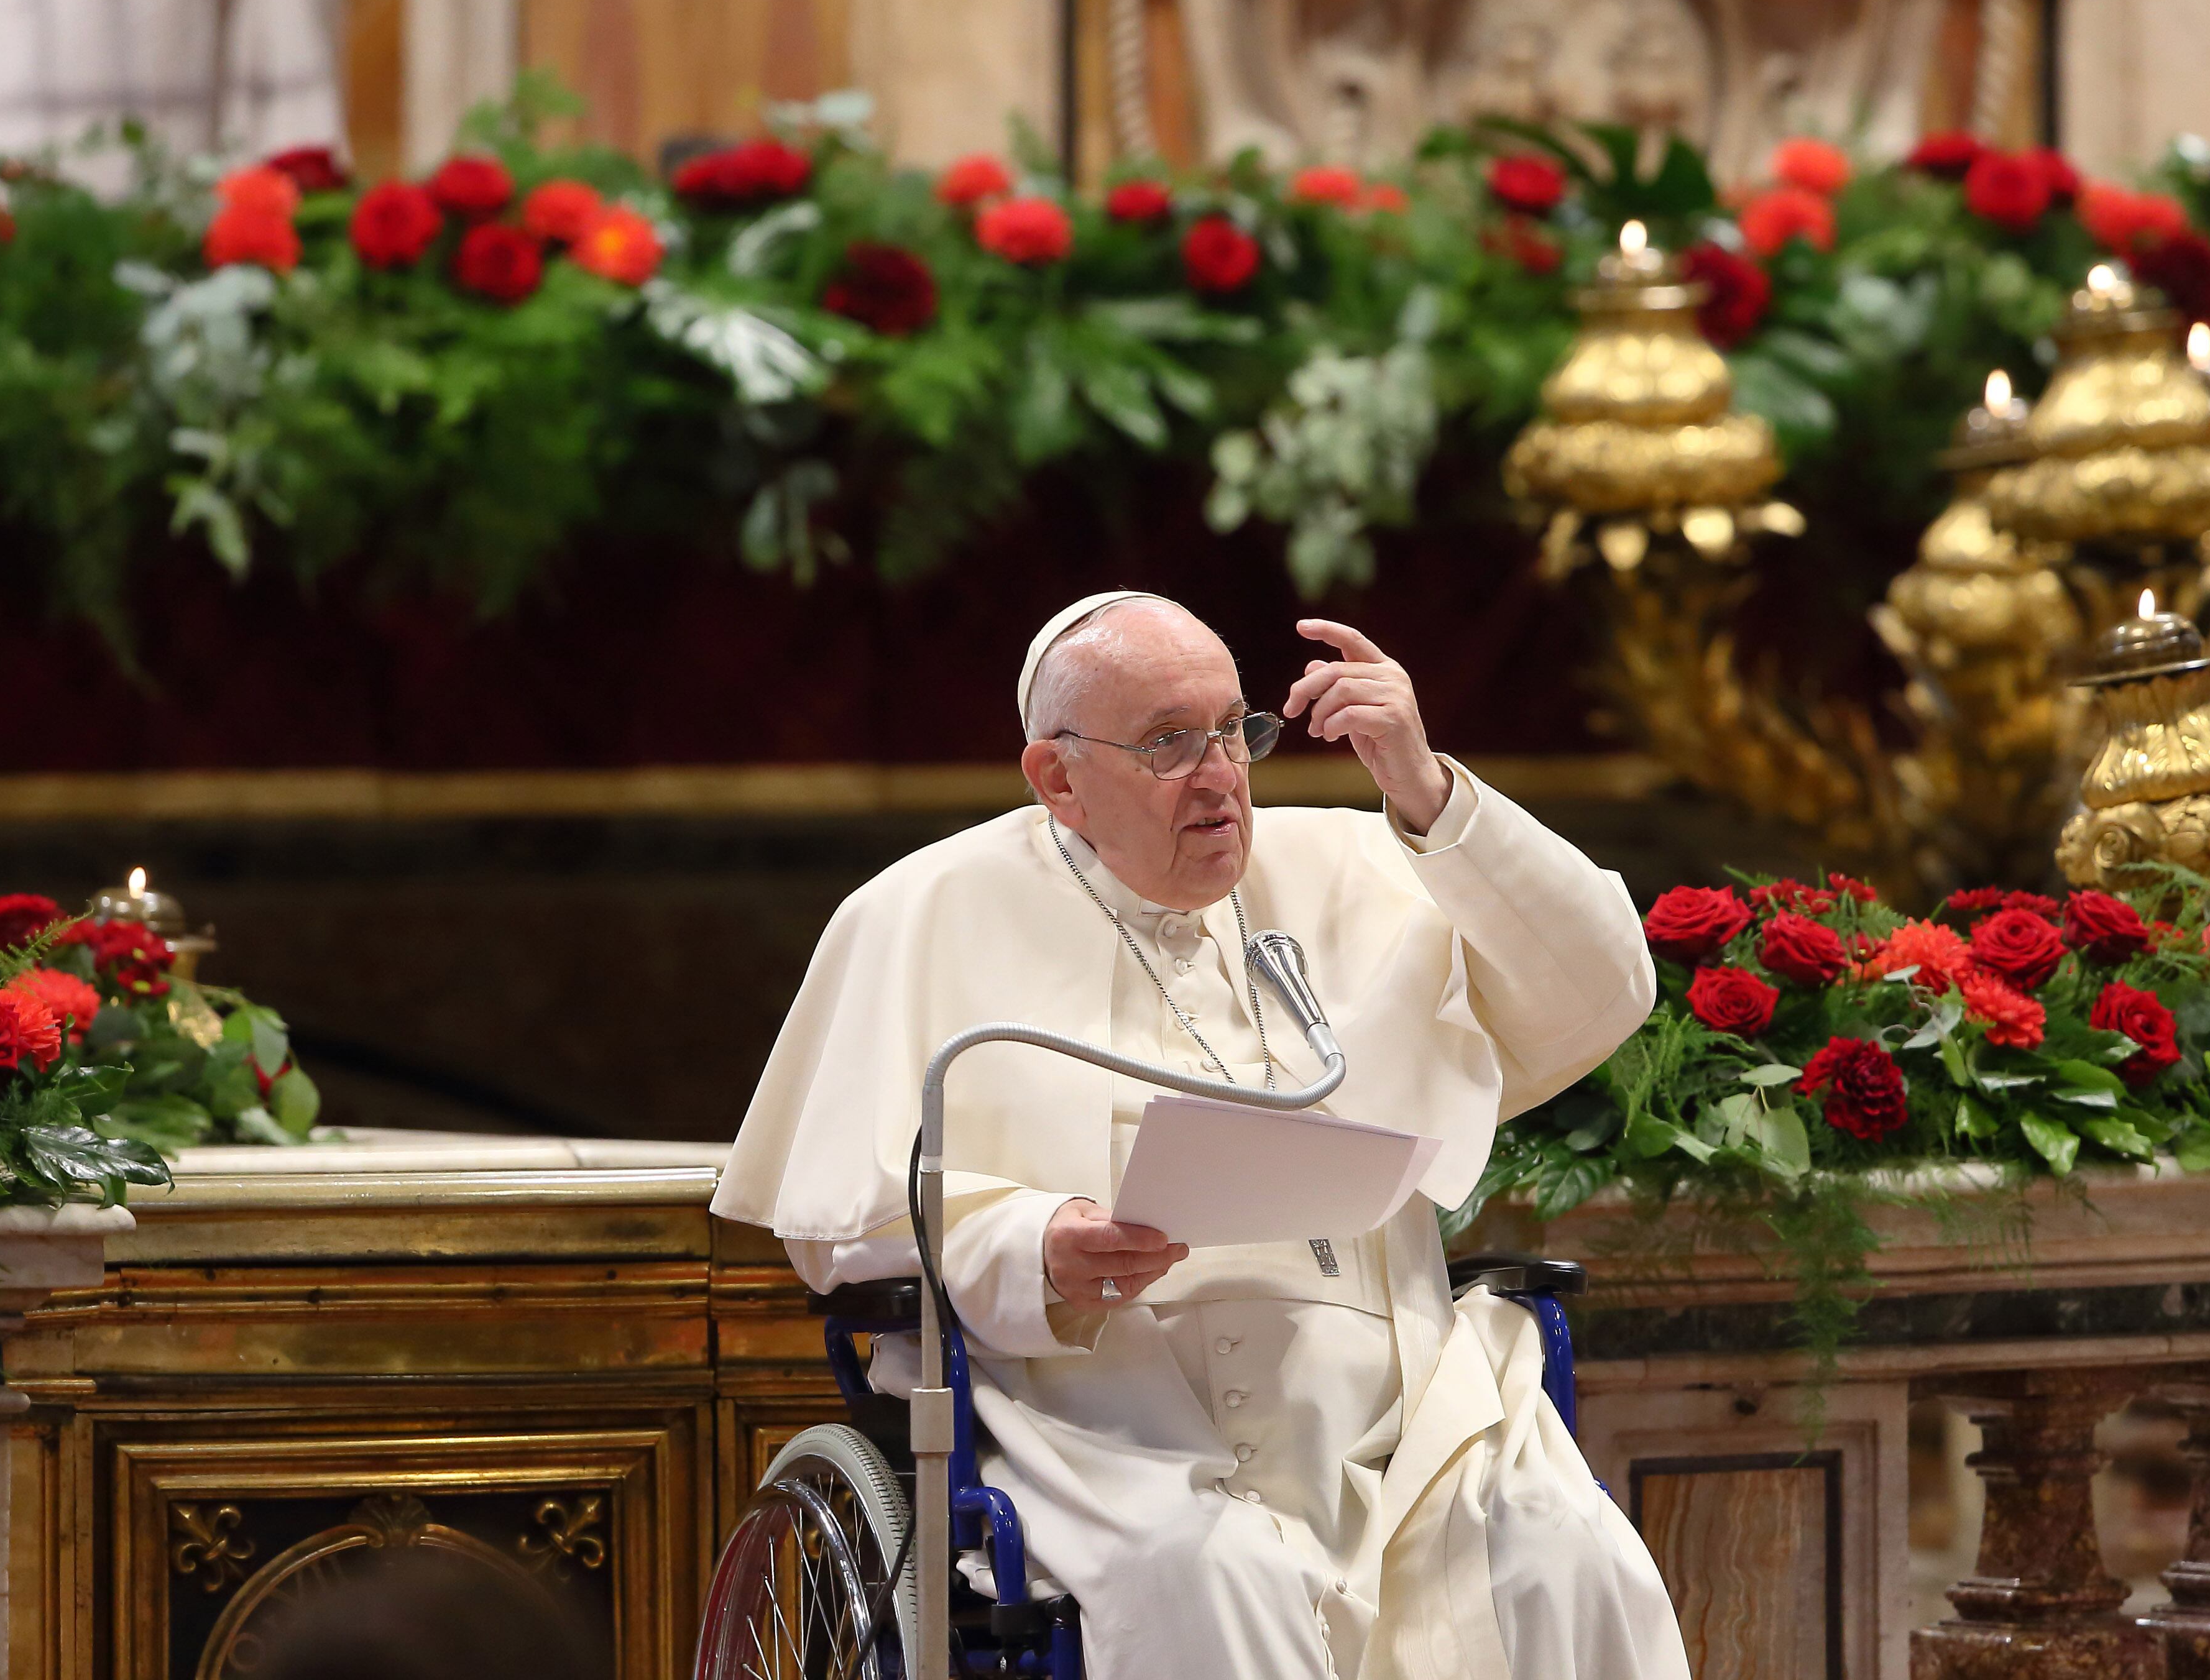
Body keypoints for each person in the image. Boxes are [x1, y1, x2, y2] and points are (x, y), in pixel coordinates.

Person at [714, 591, 1688, 1680]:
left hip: (1404, 1396)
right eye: (1170, 744)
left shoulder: (1361, 865)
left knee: (1561, 1559)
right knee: (1221, 1579)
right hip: (1113, 1423)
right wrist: (1036, 1242)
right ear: (1057, 778)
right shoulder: (919, 914)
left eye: (1234, 730)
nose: (1220, 772)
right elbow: (841, 1226)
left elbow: (1602, 986)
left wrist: (1425, 784)